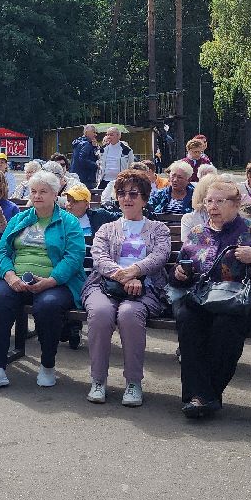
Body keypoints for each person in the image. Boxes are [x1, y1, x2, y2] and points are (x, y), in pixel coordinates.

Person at [169, 177, 251, 418]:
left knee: (226, 324)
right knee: (187, 317)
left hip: (243, 301)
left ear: (236, 204)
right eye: (208, 201)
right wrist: (179, 274)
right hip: (204, 300)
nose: (212, 206)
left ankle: (204, 396)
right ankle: (199, 396)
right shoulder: (197, 233)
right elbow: (178, 276)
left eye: (219, 201)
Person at [0, 171, 87, 393]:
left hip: (55, 283)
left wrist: (50, 281)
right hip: (17, 279)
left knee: (47, 305)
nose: (37, 196)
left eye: (43, 192)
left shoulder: (69, 222)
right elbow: (2, 252)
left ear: (56, 194)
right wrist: (9, 276)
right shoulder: (20, 219)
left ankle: (47, 364)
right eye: (34, 191)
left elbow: (74, 257)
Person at [82, 168, 172, 406]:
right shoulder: (106, 229)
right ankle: (98, 380)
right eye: (121, 193)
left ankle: (133, 382)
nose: (126, 199)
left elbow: (161, 256)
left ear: (144, 198)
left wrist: (135, 272)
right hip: (104, 286)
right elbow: (99, 258)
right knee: (101, 313)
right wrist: (123, 277)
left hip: (147, 288)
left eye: (133, 194)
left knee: (129, 314)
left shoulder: (158, 229)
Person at [70, 124, 101, 189]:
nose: (96, 135)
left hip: (76, 177)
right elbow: (83, 159)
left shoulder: (78, 143)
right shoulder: (87, 144)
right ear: (86, 132)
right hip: (86, 178)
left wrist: (94, 147)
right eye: (94, 132)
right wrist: (96, 165)